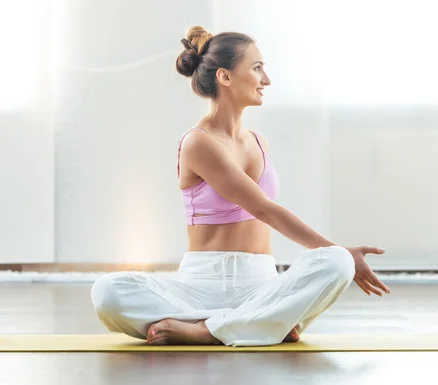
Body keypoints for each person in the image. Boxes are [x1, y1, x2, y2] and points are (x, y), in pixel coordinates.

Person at [91, 25, 390, 347]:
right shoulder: (198, 142)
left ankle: (207, 330)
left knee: (335, 263)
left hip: (260, 284)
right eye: (257, 68)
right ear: (225, 77)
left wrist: (339, 255)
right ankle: (260, 324)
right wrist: (340, 248)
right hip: (198, 285)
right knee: (108, 291)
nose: (267, 80)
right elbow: (263, 209)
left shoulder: (259, 142)